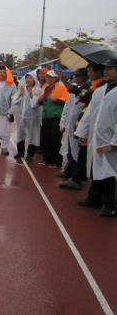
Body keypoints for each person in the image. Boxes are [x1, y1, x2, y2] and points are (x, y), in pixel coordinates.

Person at [74, 58, 117, 217]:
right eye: (105, 68)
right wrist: (82, 131)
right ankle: (94, 197)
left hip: (110, 140)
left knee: (110, 172)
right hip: (96, 137)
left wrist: (115, 141)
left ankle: (110, 204)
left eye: (110, 69)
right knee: (95, 168)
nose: (106, 71)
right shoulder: (100, 90)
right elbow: (90, 112)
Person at [55, 63, 104, 189]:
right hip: (82, 124)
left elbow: (84, 97)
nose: (88, 74)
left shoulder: (102, 87)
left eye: (89, 71)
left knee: (85, 155)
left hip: (97, 129)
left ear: (99, 72)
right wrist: (63, 79)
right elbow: (76, 92)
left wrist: (83, 96)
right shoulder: (90, 86)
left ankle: (81, 179)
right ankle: (77, 177)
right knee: (77, 151)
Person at [56, 68, 89, 185]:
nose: (76, 78)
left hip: (80, 125)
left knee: (79, 151)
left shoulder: (89, 90)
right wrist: (63, 122)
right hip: (71, 123)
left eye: (79, 76)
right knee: (70, 148)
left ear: (86, 76)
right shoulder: (75, 90)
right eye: (75, 76)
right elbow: (67, 107)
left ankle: (81, 176)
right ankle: (69, 171)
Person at [37, 70, 69, 168]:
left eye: (51, 77)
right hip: (46, 116)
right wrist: (40, 100)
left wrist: (57, 101)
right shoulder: (46, 88)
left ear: (56, 78)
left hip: (56, 116)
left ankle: (57, 161)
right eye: (48, 77)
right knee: (46, 138)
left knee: (55, 139)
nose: (49, 79)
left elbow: (66, 102)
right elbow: (44, 102)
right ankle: (47, 159)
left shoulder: (61, 88)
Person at [12, 71, 42, 160]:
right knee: (20, 133)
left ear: (34, 80)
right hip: (21, 116)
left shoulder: (38, 90)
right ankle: (20, 152)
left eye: (30, 78)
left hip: (33, 116)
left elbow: (36, 103)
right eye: (27, 78)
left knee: (32, 134)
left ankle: (30, 153)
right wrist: (21, 94)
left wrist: (31, 94)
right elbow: (14, 101)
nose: (28, 80)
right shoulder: (22, 89)